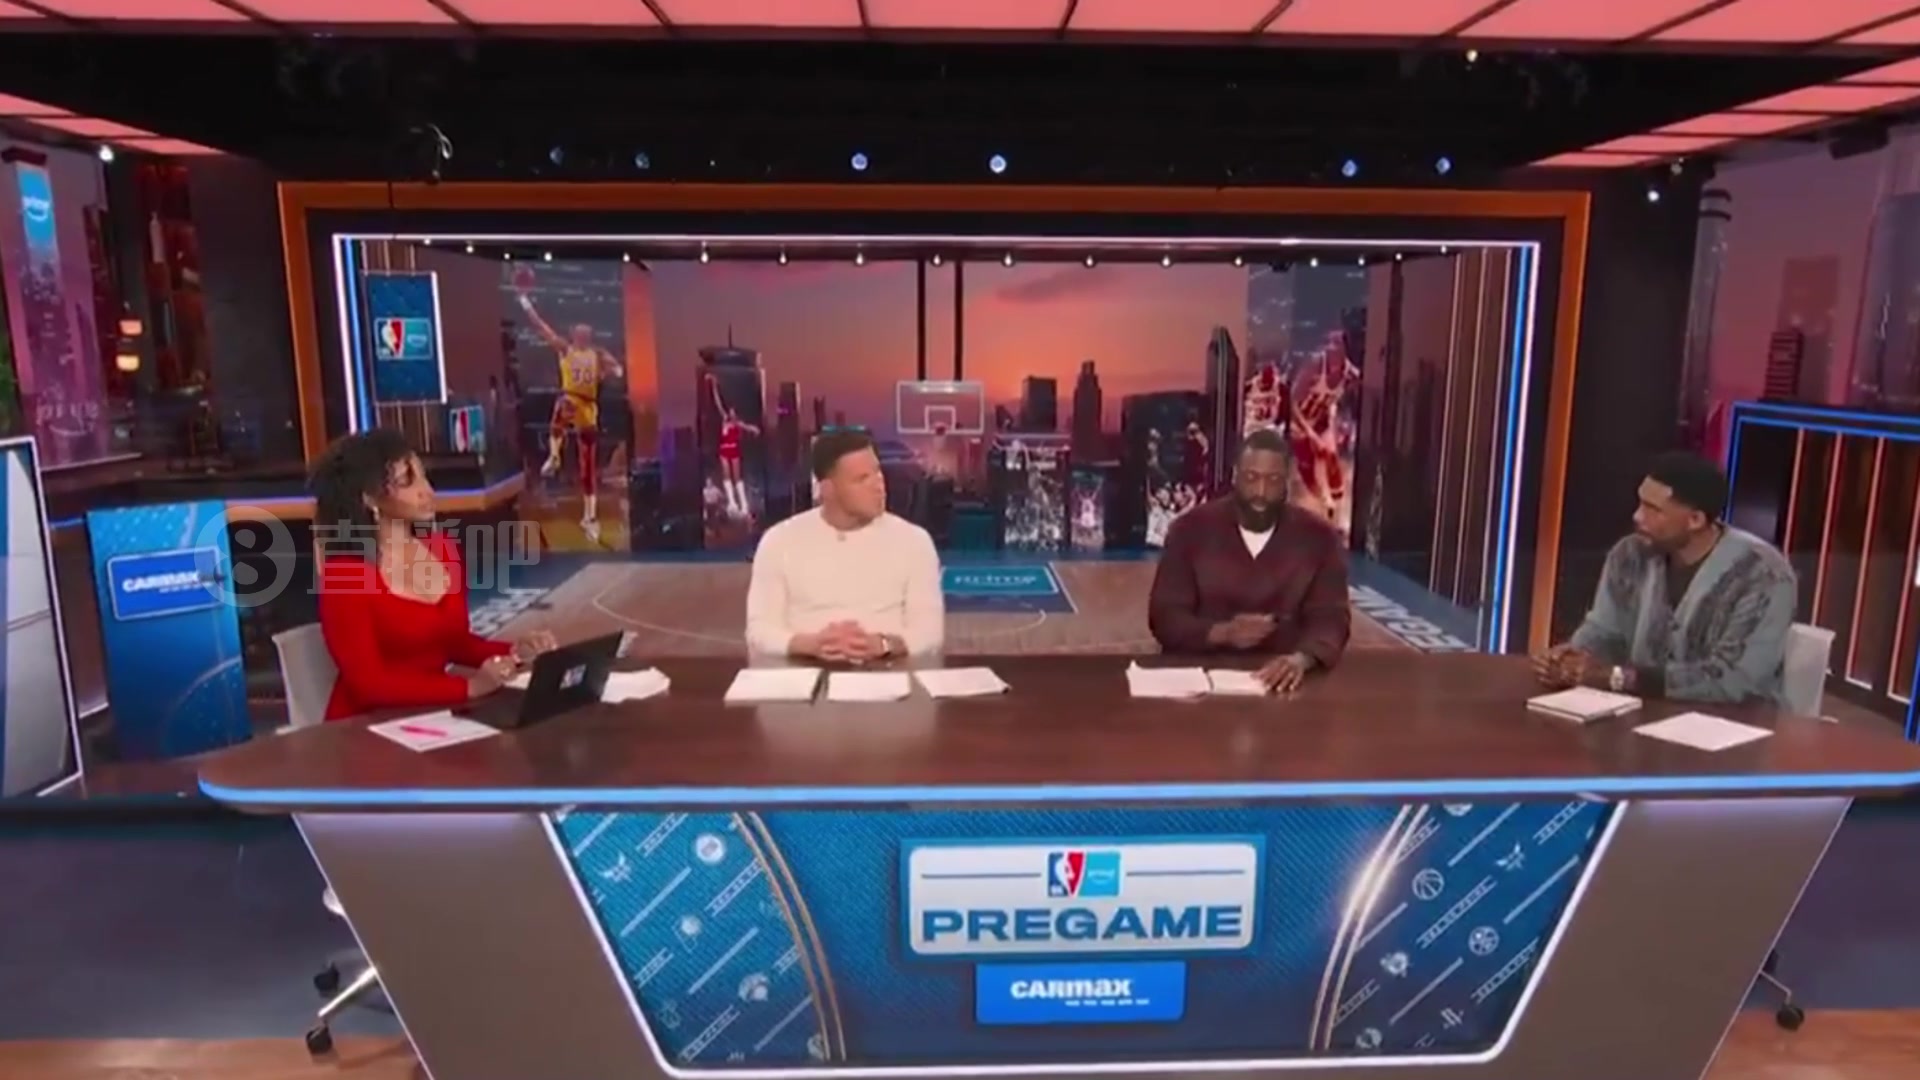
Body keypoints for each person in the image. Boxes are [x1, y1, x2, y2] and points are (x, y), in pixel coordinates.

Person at [312, 429, 557, 721]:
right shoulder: (345, 576)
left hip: (432, 714)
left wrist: (516, 650)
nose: (427, 491)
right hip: (363, 726)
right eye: (408, 481)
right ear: (369, 498)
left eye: (424, 476)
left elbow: (455, 644)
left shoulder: (442, 548)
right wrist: (469, 687)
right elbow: (369, 685)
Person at [1534, 452, 1797, 705]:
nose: (1637, 516)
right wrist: (1572, 659)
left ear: (1695, 520)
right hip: (1641, 714)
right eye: (1640, 503)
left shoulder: (1763, 574)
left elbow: (1735, 679)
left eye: (1653, 509)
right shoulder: (1630, 554)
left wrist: (1620, 678)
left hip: (1738, 724)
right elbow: (1605, 631)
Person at [1148, 428, 1351, 693]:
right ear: (1235, 476)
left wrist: (1301, 660)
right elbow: (1165, 616)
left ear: (1287, 481)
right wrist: (1222, 633)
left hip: (1287, 683)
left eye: (1273, 480)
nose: (1261, 492)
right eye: (1251, 478)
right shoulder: (1189, 530)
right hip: (1199, 680)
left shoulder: (1319, 538)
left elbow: (1331, 618)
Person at [746, 430, 944, 662]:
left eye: (877, 472)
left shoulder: (914, 541)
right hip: (803, 672)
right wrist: (809, 644)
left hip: (887, 672)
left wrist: (883, 644)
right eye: (862, 479)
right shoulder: (779, 541)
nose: (878, 485)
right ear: (827, 489)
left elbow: (930, 633)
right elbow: (759, 631)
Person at [513, 270, 622, 541]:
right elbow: (541, 328)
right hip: (572, 398)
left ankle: (590, 516)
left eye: (588, 331)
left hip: (589, 408)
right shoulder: (565, 349)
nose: (586, 334)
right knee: (563, 404)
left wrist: (611, 371)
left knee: (588, 466)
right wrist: (525, 302)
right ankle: (554, 455)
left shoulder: (597, 353)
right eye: (581, 331)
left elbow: (617, 368)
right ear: (574, 334)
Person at [710, 374, 763, 519]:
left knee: (737, 477)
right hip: (724, 449)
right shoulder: (725, 419)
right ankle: (732, 503)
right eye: (731, 411)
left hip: (734, 450)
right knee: (727, 476)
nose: (732, 413)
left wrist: (754, 429)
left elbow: (748, 427)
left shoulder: (737, 423)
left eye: (734, 412)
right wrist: (714, 385)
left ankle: (744, 504)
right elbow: (718, 402)